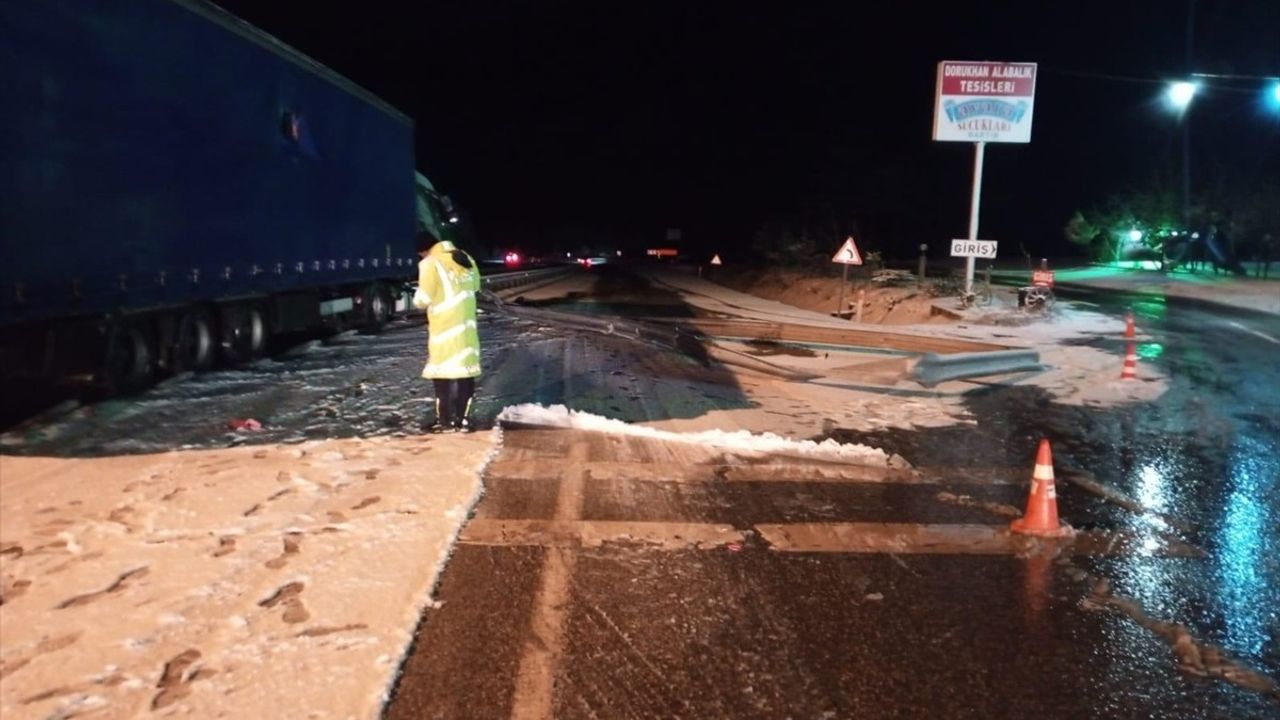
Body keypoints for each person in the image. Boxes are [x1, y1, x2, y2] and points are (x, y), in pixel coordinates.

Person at [413, 231, 482, 432]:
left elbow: (423, 299)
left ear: (423, 249)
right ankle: (463, 420)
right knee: (465, 374)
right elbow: (476, 285)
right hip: (467, 328)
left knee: (442, 375)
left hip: (444, 329)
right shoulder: (465, 257)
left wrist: (418, 295)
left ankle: (445, 421)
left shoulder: (430, 263)